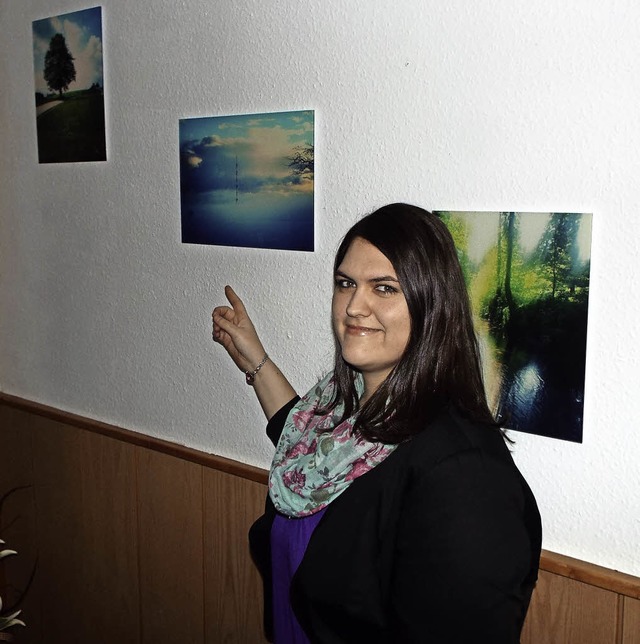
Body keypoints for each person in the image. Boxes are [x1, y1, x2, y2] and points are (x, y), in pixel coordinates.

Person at [212, 203, 542, 644]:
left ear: (431, 303)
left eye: (383, 288)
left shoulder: (465, 476)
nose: (354, 305)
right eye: (345, 283)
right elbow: (305, 443)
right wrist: (256, 360)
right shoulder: (337, 409)